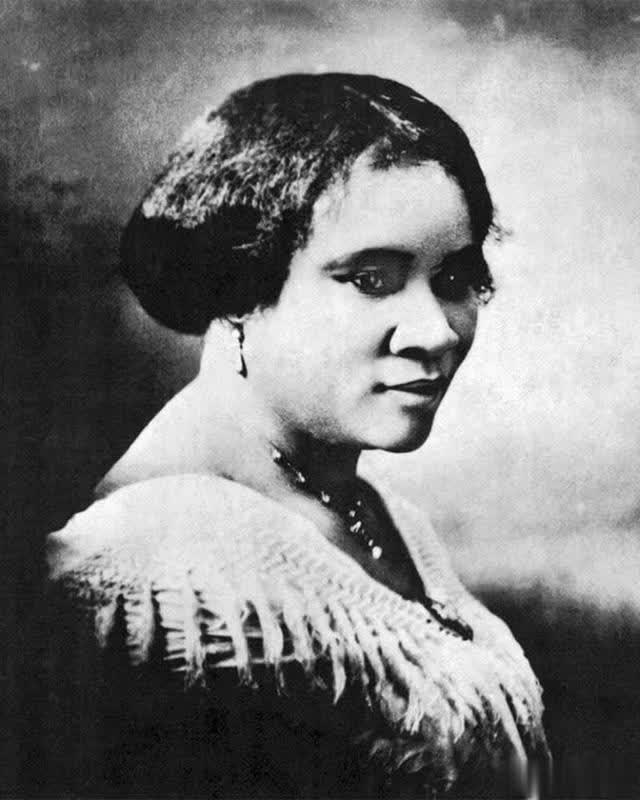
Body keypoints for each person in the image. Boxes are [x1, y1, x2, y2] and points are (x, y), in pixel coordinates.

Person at [45, 73, 550, 797]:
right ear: (238, 285)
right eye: (372, 278)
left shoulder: (384, 516)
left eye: (453, 279)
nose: (437, 332)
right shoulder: (151, 575)